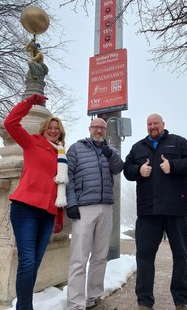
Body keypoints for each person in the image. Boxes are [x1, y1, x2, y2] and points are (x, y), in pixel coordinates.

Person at [124, 114, 187, 310]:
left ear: (163, 125)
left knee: (181, 255)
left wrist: (173, 165)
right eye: (149, 124)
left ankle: (181, 300)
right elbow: (127, 169)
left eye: (155, 123)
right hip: (148, 212)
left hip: (177, 210)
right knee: (144, 257)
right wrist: (138, 170)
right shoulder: (138, 147)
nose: (152, 126)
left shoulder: (178, 142)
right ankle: (144, 301)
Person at [4, 93, 68, 310]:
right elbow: (10, 123)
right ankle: (24, 308)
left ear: (61, 133)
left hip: (48, 213)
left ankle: (23, 305)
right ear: (43, 129)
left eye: (56, 128)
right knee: (27, 262)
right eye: (50, 127)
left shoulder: (62, 156)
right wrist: (28, 103)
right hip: (26, 209)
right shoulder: (32, 142)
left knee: (35, 264)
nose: (53, 130)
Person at [66, 118, 124, 310]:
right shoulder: (76, 148)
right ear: (89, 128)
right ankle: (75, 303)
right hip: (83, 208)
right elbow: (69, 178)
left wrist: (109, 154)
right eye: (95, 127)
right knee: (79, 258)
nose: (99, 130)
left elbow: (118, 168)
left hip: (106, 207)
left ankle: (94, 298)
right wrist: (71, 204)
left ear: (105, 131)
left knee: (100, 257)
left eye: (102, 128)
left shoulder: (111, 151)